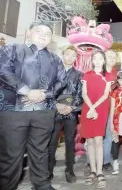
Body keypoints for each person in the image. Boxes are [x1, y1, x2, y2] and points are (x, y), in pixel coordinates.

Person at [0, 22, 66, 190]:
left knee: (40, 152)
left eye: (48, 33)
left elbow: (61, 81)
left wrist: (45, 94)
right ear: (28, 33)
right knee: (12, 154)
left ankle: (42, 184)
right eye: (39, 31)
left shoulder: (55, 59)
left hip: (44, 111)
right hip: (14, 111)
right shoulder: (12, 49)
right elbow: (3, 71)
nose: (44, 35)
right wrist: (27, 91)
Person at [48, 46, 83, 183]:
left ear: (76, 58)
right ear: (63, 55)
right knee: (51, 143)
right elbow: (47, 91)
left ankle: (69, 170)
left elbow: (81, 96)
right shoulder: (53, 72)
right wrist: (56, 105)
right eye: (67, 54)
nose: (69, 57)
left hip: (71, 113)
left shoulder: (79, 75)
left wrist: (71, 107)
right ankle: (48, 171)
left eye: (73, 55)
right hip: (54, 112)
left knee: (69, 142)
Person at [81, 51, 113, 188]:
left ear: (104, 61)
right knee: (90, 141)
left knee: (99, 140)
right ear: (92, 60)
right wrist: (90, 108)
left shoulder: (108, 76)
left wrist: (93, 108)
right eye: (96, 58)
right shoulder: (86, 75)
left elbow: (106, 95)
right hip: (87, 108)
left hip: (100, 108)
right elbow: (84, 93)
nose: (98, 61)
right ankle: (92, 171)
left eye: (101, 58)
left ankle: (100, 171)